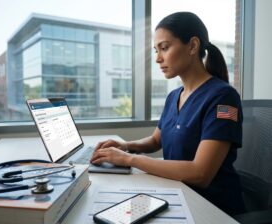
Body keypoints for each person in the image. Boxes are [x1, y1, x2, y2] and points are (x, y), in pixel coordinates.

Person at [91, 12, 245, 215]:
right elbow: (156, 140)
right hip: (176, 192)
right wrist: (126, 146)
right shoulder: (174, 96)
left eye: (164, 48)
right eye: (156, 50)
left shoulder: (224, 98)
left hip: (212, 207)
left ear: (192, 46)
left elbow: (200, 173)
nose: (157, 58)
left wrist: (128, 159)